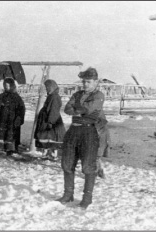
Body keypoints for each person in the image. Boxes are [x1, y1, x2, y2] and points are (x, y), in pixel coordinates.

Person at [56, 67, 107, 209]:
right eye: (83, 81)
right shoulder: (77, 94)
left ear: (96, 82)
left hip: (89, 132)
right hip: (73, 131)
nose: (85, 84)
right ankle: (68, 194)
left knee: (88, 167)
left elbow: (88, 110)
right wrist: (81, 110)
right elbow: (67, 109)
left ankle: (87, 198)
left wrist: (78, 109)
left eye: (88, 82)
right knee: (67, 163)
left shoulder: (99, 95)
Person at [0, 77, 25, 156]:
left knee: (10, 138)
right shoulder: (0, 97)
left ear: (12, 86)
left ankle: (10, 151)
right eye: (4, 85)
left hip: (11, 122)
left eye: (7, 85)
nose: (6, 87)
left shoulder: (17, 98)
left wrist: (18, 120)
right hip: (0, 121)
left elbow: (21, 109)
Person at [34, 79, 65, 159]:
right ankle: (47, 153)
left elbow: (53, 111)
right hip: (47, 121)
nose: (46, 88)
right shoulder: (51, 96)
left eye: (47, 87)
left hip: (50, 122)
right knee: (47, 138)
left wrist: (50, 122)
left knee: (51, 138)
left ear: (52, 87)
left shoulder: (54, 97)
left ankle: (52, 154)